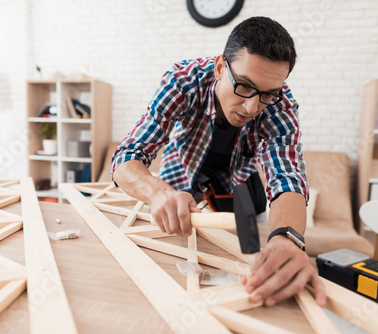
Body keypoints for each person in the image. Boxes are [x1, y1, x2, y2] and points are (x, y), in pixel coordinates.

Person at [111, 16, 326, 307]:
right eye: (245, 86)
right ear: (220, 67)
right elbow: (128, 155)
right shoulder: (182, 82)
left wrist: (287, 239)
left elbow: (287, 174)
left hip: (239, 179)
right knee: (173, 266)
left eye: (267, 94)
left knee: (253, 252)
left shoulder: (281, 104)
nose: (252, 107)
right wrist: (156, 191)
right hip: (182, 179)